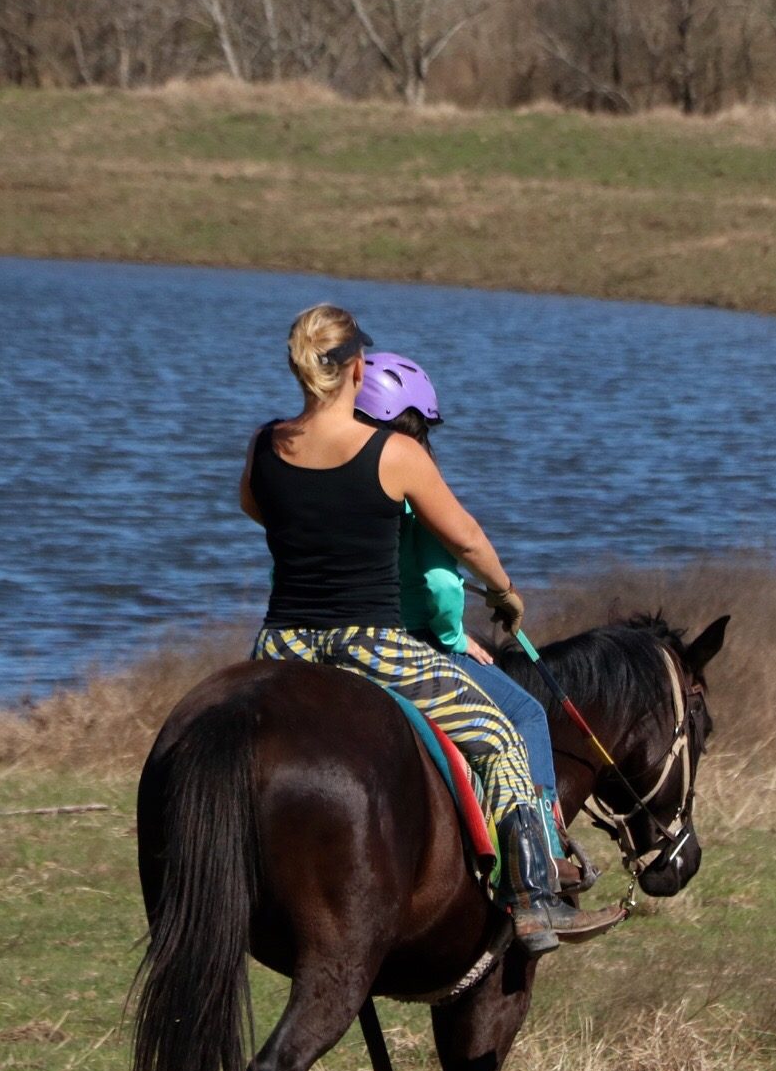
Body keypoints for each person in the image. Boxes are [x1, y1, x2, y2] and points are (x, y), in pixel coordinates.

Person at [240, 303, 622, 956]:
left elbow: (254, 507)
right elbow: (467, 539)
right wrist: (504, 593)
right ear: (357, 367)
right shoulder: (397, 453)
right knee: (501, 736)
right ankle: (534, 901)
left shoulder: (266, 443)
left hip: (279, 645)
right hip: (371, 647)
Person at [354, 349, 588, 888]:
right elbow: (439, 586)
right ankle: (545, 859)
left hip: (316, 633)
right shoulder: (413, 475)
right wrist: (454, 636)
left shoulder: (330, 468)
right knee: (525, 715)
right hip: (407, 641)